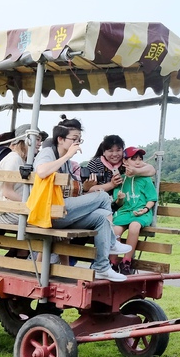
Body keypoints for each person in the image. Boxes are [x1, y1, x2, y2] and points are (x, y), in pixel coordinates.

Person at [33, 118, 133, 282]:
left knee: (101, 217)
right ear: (60, 139)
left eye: (79, 139)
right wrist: (68, 156)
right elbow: (42, 172)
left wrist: (85, 186)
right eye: (74, 139)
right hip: (48, 211)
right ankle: (112, 241)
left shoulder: (64, 156)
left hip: (60, 210)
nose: (77, 143)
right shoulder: (48, 152)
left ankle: (101, 267)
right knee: (101, 195)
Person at [110, 146, 159, 274]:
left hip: (141, 213)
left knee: (134, 226)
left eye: (140, 159)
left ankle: (127, 261)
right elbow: (118, 202)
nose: (138, 161)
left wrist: (145, 209)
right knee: (115, 230)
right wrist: (120, 199)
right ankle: (113, 262)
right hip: (125, 212)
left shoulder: (145, 178)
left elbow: (152, 199)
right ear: (125, 161)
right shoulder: (121, 179)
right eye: (134, 158)